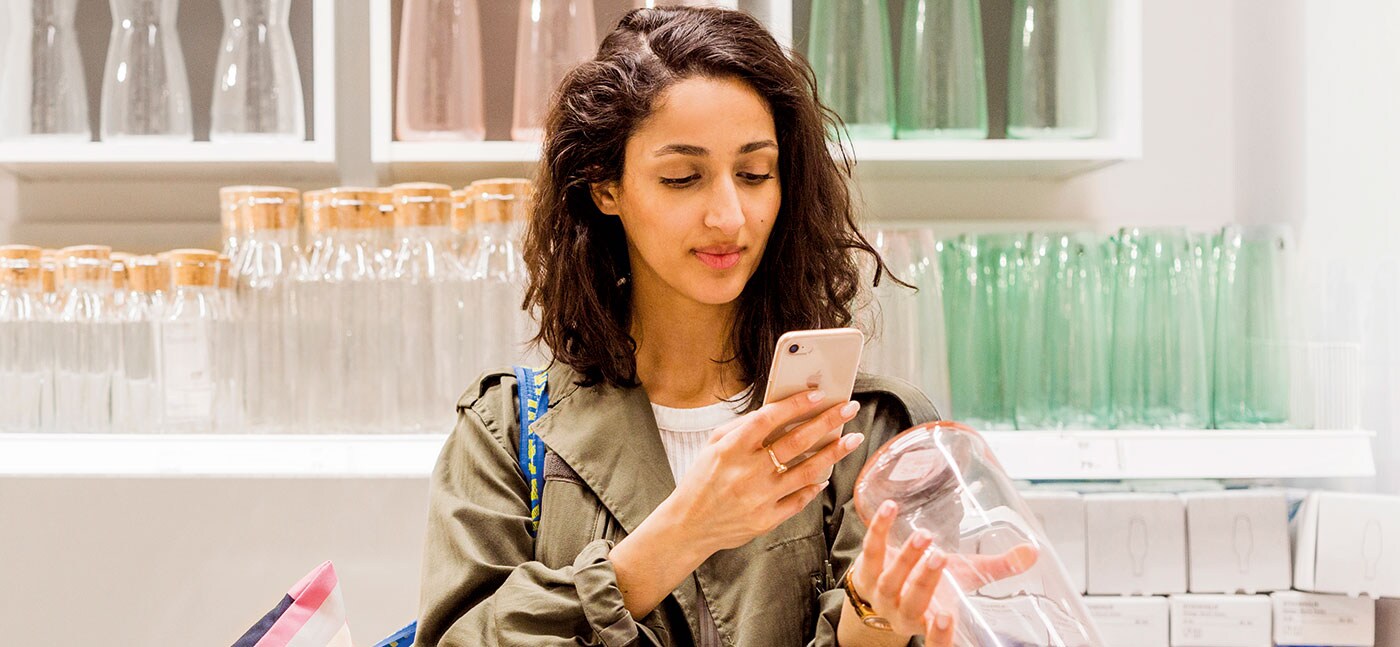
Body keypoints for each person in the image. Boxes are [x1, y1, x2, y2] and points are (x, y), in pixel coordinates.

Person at [417, 7, 1030, 646]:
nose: (729, 215)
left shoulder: (869, 429)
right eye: (682, 178)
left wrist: (873, 618)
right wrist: (686, 528)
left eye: (754, 174)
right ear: (606, 188)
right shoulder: (507, 433)